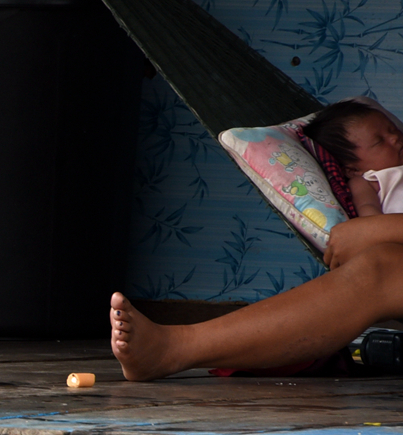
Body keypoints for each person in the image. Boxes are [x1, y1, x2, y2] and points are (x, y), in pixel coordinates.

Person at [113, 98, 403, 380]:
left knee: (382, 268)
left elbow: (371, 232)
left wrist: (379, 230)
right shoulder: (369, 181)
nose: (396, 140)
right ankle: (170, 348)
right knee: (381, 267)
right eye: (382, 139)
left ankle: (171, 349)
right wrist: (373, 226)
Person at [302, 96, 403, 216]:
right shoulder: (368, 181)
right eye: (379, 142)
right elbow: (368, 212)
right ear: (353, 170)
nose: (395, 138)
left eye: (393, 129)